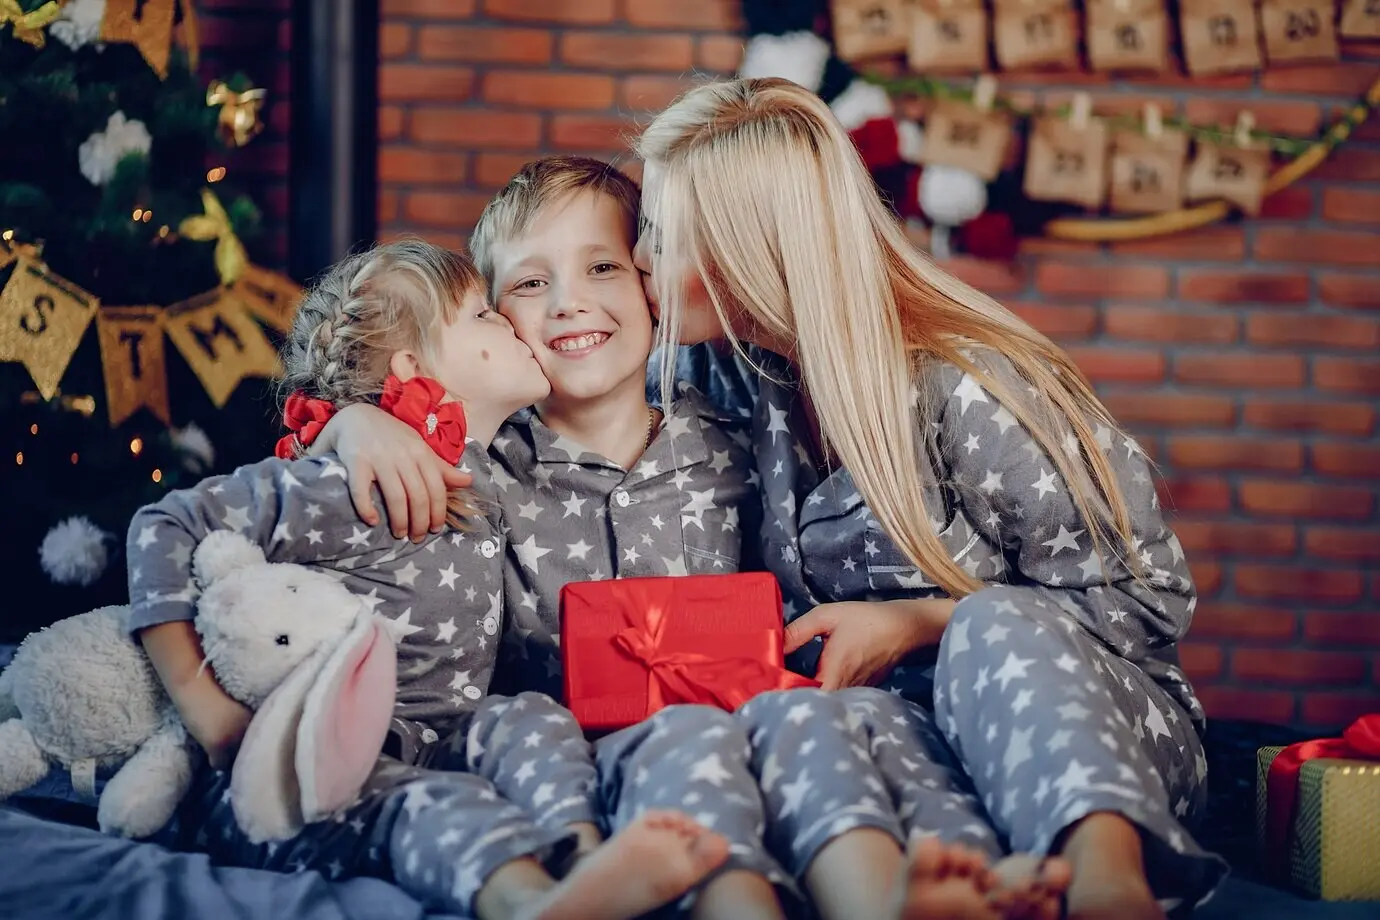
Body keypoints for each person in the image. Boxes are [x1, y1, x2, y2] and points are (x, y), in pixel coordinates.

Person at [631, 78, 1229, 920]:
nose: (638, 259)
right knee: (806, 725)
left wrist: (921, 622)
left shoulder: (968, 380)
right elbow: (543, 409)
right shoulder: (713, 372)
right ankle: (969, 891)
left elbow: (1149, 599)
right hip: (916, 735)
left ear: (746, 252)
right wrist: (418, 441)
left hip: (1095, 737)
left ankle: (1106, 875)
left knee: (993, 624)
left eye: (661, 236)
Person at [128, 239, 729, 920]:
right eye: (483, 315)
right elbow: (162, 525)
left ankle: (586, 858)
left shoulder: (488, 469)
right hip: (309, 767)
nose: (509, 321)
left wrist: (351, 420)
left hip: (439, 740)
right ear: (413, 368)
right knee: (435, 806)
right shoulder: (355, 480)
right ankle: (530, 903)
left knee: (528, 716)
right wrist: (208, 711)